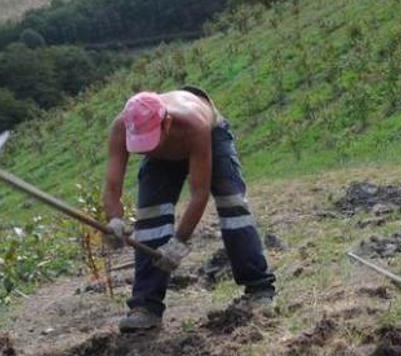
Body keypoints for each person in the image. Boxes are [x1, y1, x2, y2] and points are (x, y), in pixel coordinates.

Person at [102, 88, 277, 333]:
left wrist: (178, 243)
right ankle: (145, 307)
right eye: (141, 144)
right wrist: (114, 220)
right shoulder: (123, 126)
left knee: (232, 205)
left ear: (167, 123)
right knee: (151, 218)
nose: (146, 150)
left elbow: (199, 193)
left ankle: (259, 289)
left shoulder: (194, 123)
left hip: (209, 137)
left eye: (150, 141)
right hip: (167, 151)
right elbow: (112, 186)